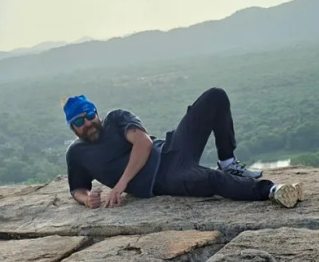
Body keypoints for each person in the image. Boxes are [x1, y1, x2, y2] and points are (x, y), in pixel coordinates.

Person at [63, 87, 303, 209]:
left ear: (96, 112)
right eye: (79, 122)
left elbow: (143, 143)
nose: (87, 123)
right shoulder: (78, 154)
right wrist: (86, 200)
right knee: (212, 180)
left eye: (90, 115)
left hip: (171, 148)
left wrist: (121, 184)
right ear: (72, 127)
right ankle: (274, 190)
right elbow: (78, 188)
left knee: (214, 96)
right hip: (164, 179)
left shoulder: (115, 119)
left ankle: (228, 161)